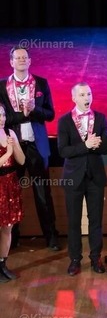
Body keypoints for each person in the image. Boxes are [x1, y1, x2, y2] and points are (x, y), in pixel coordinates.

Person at [0, 46, 59, 251]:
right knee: (11, 193)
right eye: (18, 58)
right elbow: (3, 118)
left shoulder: (41, 83)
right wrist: (24, 114)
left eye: (25, 57)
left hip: (37, 146)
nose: (22, 60)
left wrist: (35, 109)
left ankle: (51, 237)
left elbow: (50, 114)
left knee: (43, 194)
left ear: (30, 61)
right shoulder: (2, 86)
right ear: (11, 62)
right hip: (12, 146)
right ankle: (11, 240)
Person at [57, 83, 107, 276]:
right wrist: (86, 145)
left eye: (89, 94)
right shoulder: (64, 121)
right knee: (74, 222)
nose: (87, 98)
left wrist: (96, 144)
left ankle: (96, 258)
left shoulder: (101, 118)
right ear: (74, 98)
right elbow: (63, 151)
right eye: (82, 95)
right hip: (73, 178)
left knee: (96, 220)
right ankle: (75, 260)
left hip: (95, 177)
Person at [0, 104, 25, 283]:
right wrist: (8, 151)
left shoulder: (10, 133)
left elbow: (21, 160)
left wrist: (14, 146)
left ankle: (2, 264)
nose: (1, 118)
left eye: (2, 114)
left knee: (7, 227)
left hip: (10, 183)